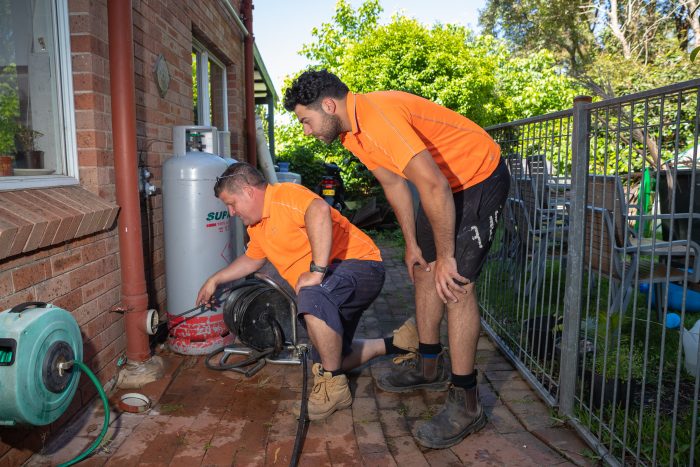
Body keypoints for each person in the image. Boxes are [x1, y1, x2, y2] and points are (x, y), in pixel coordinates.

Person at [283, 70, 510, 448]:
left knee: (454, 285)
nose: (306, 130)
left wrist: (448, 257)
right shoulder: (351, 133)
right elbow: (394, 183)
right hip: (443, 184)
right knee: (424, 270)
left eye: (305, 120)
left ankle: (467, 400)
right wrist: (411, 245)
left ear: (328, 105)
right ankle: (428, 363)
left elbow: (432, 184)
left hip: (478, 174)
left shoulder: (378, 115)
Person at [196, 162, 418, 421]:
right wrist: (215, 279)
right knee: (326, 356)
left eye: (231, 203)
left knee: (311, 296)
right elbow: (253, 259)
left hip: (361, 266)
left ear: (248, 191)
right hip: (336, 278)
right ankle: (400, 342)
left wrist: (317, 270)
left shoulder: (283, 195)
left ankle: (334, 387)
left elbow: (319, 209)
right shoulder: (257, 227)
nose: (231, 212)